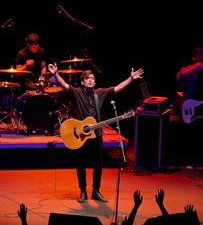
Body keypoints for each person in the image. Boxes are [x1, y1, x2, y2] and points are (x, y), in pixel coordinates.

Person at [48, 63, 144, 203]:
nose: (90, 80)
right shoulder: (77, 92)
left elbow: (118, 88)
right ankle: (82, 191)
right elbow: (64, 85)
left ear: (95, 81)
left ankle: (96, 191)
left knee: (98, 163)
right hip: (80, 134)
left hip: (96, 134)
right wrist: (55, 74)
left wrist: (131, 79)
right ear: (82, 82)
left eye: (92, 78)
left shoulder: (101, 93)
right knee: (81, 163)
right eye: (87, 78)